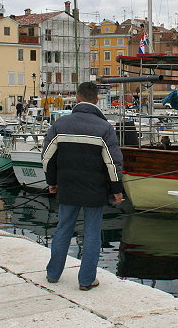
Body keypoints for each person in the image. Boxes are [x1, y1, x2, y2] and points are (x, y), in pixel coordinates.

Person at [42, 81, 124, 291]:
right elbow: (112, 163)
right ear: (97, 100)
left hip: (67, 188)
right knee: (92, 233)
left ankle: (53, 274)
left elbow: (47, 157)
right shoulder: (105, 128)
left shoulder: (60, 125)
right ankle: (86, 280)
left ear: (78, 98)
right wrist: (117, 190)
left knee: (63, 229)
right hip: (94, 190)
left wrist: (52, 181)